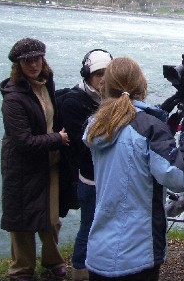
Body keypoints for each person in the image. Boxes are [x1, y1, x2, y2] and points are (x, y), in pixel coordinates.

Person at [83, 57, 184, 280]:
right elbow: (181, 175)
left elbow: (133, 134)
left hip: (100, 251)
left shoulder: (97, 124)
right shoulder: (148, 128)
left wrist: (166, 109)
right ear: (142, 85)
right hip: (138, 251)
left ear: (105, 86)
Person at [0, 38, 70, 281]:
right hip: (21, 166)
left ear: (43, 59)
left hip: (49, 162)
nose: (33, 64)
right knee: (21, 221)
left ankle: (52, 260)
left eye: (36, 59)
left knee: (50, 219)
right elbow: (23, 141)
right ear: (18, 64)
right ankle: (21, 269)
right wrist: (57, 139)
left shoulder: (46, 83)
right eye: (27, 61)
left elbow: (52, 115)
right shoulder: (13, 98)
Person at [60, 49, 113, 281]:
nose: (102, 78)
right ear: (87, 75)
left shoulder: (112, 99)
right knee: (89, 225)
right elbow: (85, 143)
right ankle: (80, 271)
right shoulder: (74, 102)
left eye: (106, 73)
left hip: (108, 174)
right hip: (90, 177)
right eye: (97, 73)